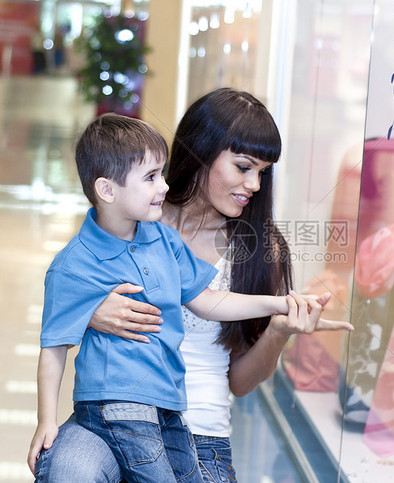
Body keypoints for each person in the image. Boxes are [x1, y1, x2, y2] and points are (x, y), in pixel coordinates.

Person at [31, 88, 353, 482]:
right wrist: (92, 312)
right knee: (67, 471)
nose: (254, 184)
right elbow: (68, 301)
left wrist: (279, 327)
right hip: (114, 417)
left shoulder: (259, 249)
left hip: (199, 431)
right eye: (243, 166)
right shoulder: (136, 215)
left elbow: (237, 375)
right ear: (202, 150)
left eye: (263, 172)